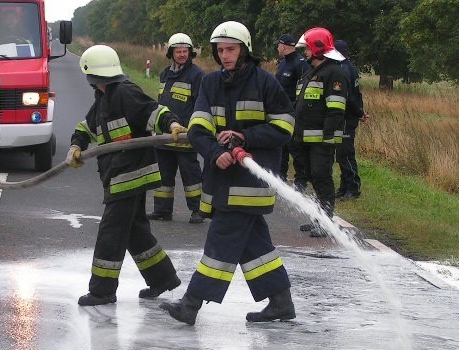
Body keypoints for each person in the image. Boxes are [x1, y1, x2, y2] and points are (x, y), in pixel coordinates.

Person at [160, 21, 296, 325]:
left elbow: (285, 126)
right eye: (220, 50)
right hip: (223, 179)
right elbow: (198, 129)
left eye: (231, 49)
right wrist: (215, 153)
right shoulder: (210, 84)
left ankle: (191, 304)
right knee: (255, 246)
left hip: (251, 181)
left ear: (244, 49)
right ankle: (281, 302)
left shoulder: (265, 83)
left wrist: (245, 137)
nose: (225, 55)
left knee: (221, 243)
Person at [66, 44, 188, 306]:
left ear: (91, 76)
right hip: (120, 175)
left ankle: (102, 290)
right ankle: (163, 278)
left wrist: (173, 124)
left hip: (128, 176)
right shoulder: (104, 98)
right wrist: (77, 144)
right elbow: (87, 127)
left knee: (111, 233)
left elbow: (153, 111)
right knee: (135, 230)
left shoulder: (124, 92)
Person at [294, 27, 348, 238]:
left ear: (317, 48)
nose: (304, 53)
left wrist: (327, 135)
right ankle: (318, 218)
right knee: (313, 178)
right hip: (306, 138)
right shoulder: (312, 72)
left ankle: (325, 222)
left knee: (321, 177)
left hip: (321, 140)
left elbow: (336, 108)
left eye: (306, 48)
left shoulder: (334, 73)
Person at [147, 33, 206, 224]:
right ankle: (162, 211)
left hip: (185, 136)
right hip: (164, 137)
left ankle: (198, 210)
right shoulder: (165, 74)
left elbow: (200, 104)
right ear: (171, 53)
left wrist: (192, 129)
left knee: (192, 177)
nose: (182, 55)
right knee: (163, 176)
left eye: (185, 51)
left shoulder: (197, 75)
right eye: (178, 51)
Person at [273, 33, 309, 191]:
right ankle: (279, 177)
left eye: (278, 45)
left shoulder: (300, 64)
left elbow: (304, 90)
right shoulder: (282, 64)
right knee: (281, 146)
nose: (277, 48)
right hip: (280, 112)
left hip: (295, 113)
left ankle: (301, 181)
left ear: (284, 46)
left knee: (296, 148)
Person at [334, 39, 367, 200]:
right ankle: (344, 186)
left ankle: (353, 187)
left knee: (345, 153)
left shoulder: (344, 70)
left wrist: (359, 113)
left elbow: (350, 97)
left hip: (347, 117)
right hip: (348, 115)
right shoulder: (349, 67)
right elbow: (357, 94)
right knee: (341, 153)